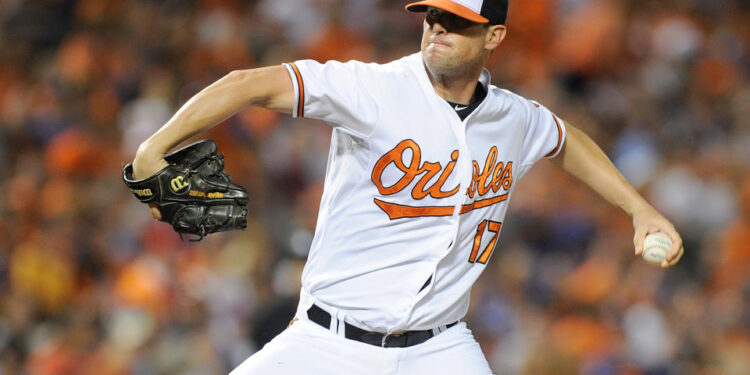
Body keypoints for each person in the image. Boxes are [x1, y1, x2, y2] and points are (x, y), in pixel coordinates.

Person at [130, 1, 685, 373]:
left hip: (439, 348)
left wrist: (639, 209)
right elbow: (248, 84)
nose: (439, 29)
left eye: (458, 21)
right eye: (433, 17)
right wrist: (154, 147)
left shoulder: (513, 117)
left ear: (495, 36)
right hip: (328, 342)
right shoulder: (372, 89)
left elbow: (567, 141)